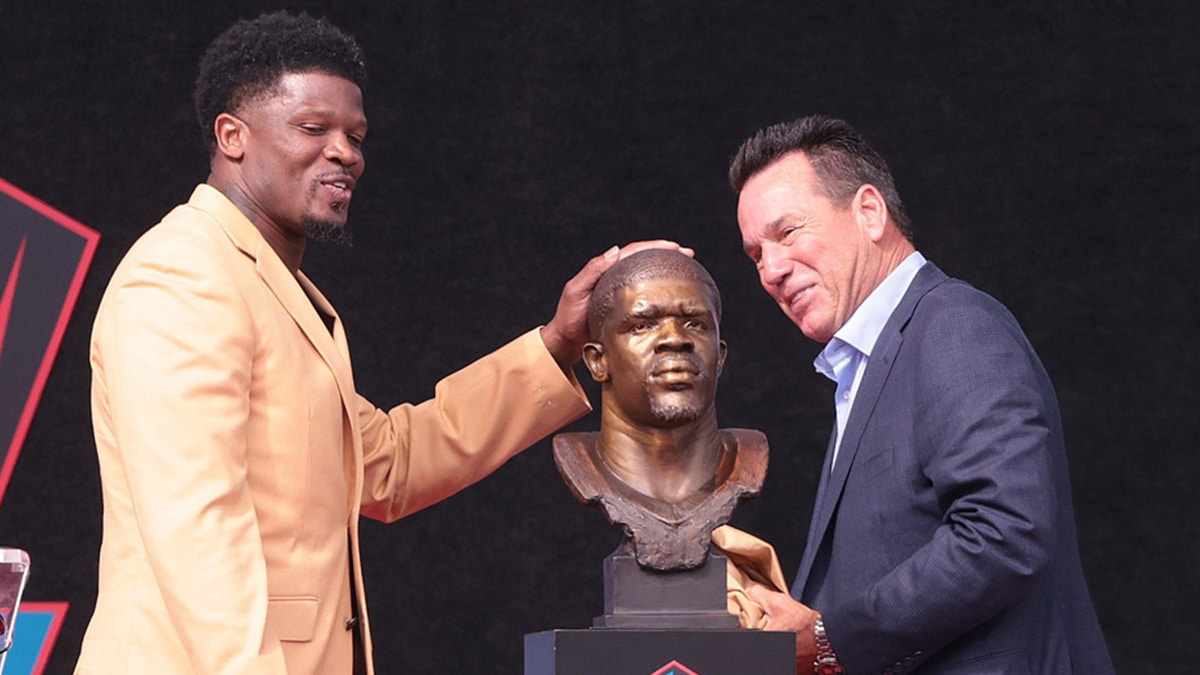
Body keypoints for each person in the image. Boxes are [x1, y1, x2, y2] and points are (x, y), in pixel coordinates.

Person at [75, 11, 687, 675]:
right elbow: (196, 530)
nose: (346, 152)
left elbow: (389, 462)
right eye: (314, 129)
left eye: (355, 136)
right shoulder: (184, 274)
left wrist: (556, 342)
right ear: (232, 136)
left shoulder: (275, 290)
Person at [729, 115, 1114, 674]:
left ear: (869, 211)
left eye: (787, 233)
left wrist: (826, 636)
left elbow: (1005, 532)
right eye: (755, 254)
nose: (772, 269)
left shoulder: (953, 325)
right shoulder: (871, 361)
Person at [553, 249, 768, 571]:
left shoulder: (747, 459)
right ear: (598, 361)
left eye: (695, 323)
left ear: (720, 357)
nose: (675, 339)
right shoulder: (581, 462)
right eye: (642, 325)